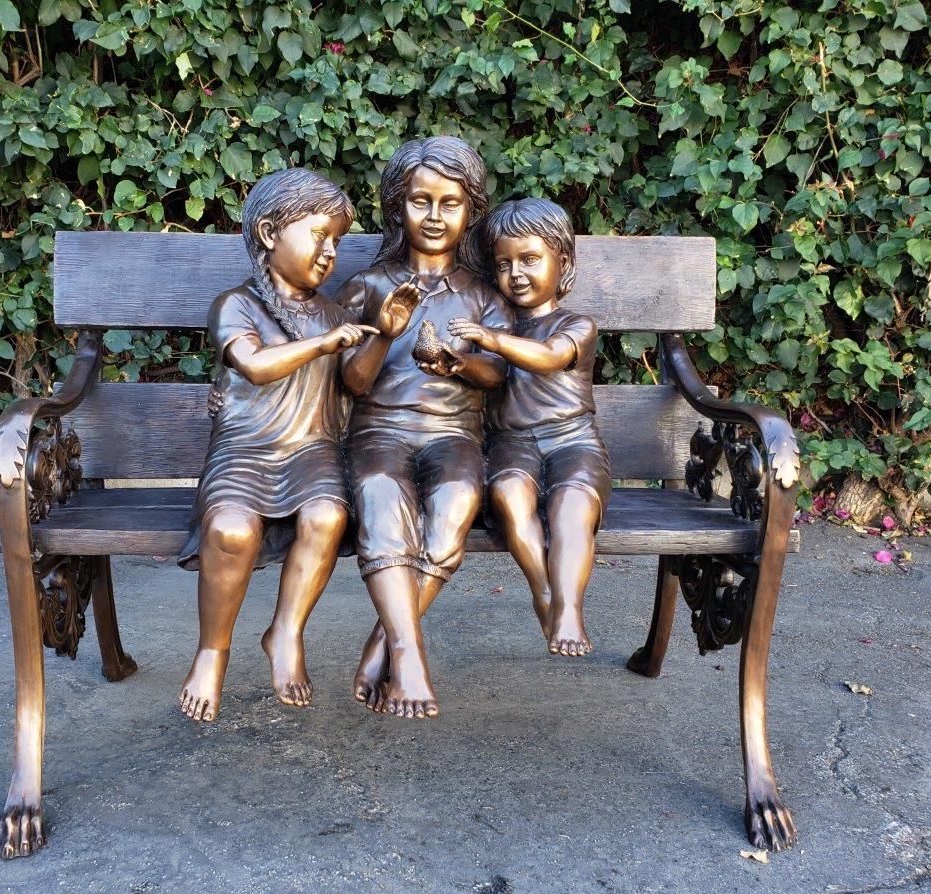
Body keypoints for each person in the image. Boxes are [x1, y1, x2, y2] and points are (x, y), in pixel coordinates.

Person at [176, 168, 416, 722]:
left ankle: (285, 631)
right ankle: (212, 651)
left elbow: (355, 382)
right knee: (230, 529)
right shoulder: (236, 305)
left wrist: (384, 333)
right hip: (245, 448)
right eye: (318, 235)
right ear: (267, 233)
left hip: (312, 451)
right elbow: (256, 366)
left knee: (329, 515)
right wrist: (324, 343)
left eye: (337, 240)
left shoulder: (335, 315)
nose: (330, 251)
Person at [337, 136, 513, 718]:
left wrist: (455, 362)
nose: (435, 217)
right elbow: (353, 383)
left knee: (459, 497)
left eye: (450, 203)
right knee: (382, 493)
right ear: (397, 208)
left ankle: (384, 642)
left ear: (471, 212)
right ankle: (410, 659)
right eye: (420, 202)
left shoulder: (484, 295)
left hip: (453, 435)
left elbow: (496, 375)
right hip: (378, 432)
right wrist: (386, 333)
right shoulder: (367, 287)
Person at [449, 198, 612, 656]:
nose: (516, 273)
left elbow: (550, 358)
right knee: (507, 494)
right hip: (512, 443)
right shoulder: (492, 319)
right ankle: (545, 593)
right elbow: (478, 370)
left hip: (573, 441)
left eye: (530, 259)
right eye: (504, 264)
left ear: (562, 262)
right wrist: (459, 359)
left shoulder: (576, 324)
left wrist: (493, 340)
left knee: (572, 505)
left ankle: (570, 609)